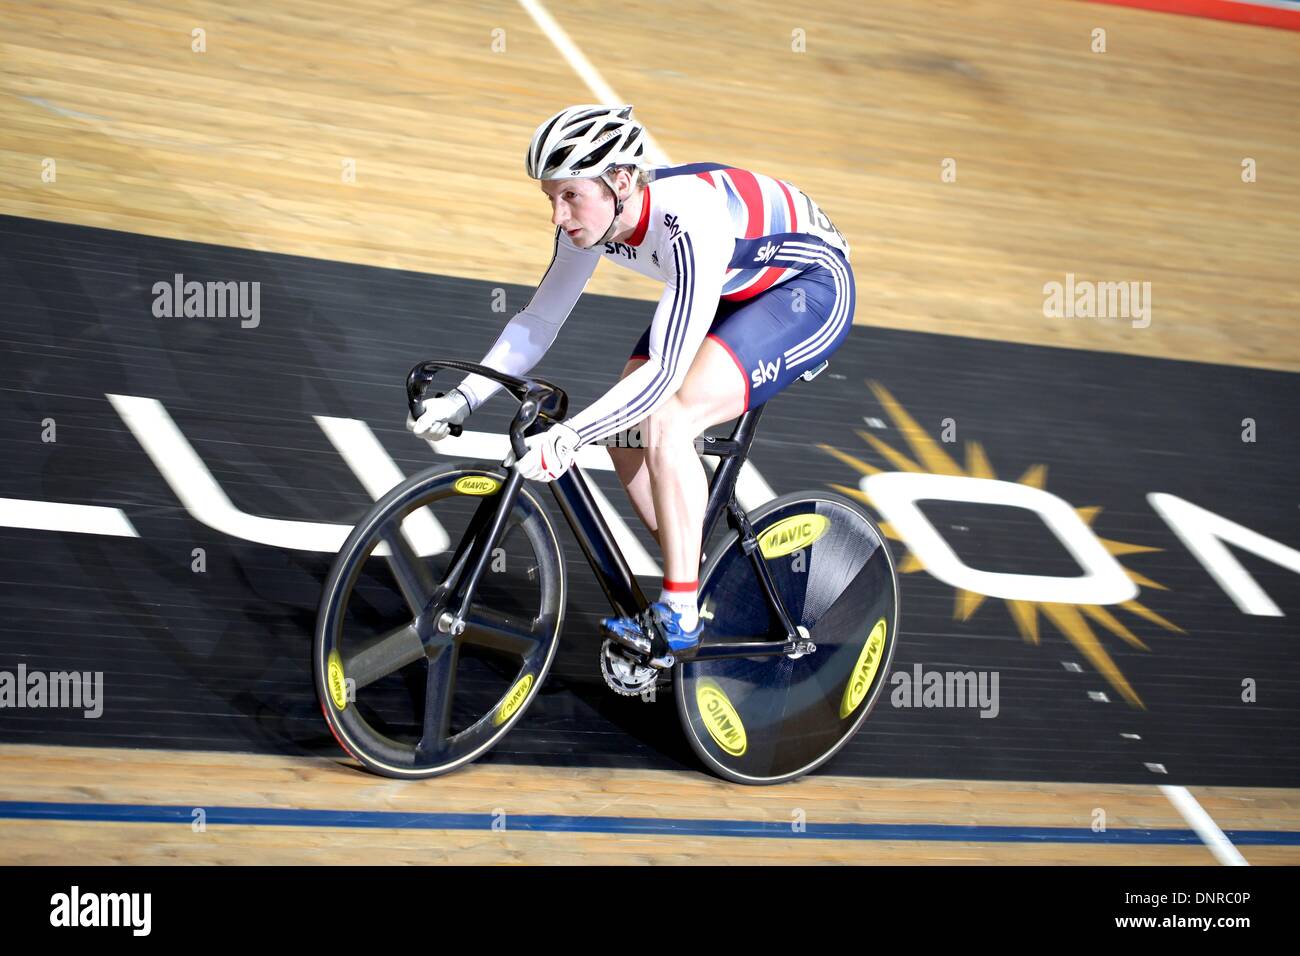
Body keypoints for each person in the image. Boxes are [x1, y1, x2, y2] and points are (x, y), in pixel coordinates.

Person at [408, 104, 856, 659]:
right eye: (550, 198)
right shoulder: (591, 222)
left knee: (667, 417)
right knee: (627, 439)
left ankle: (680, 612)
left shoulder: (690, 218)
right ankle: (696, 578)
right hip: (731, 288)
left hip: (807, 292)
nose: (557, 215)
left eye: (569, 195)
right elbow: (540, 318)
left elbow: (665, 374)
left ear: (620, 182)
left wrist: (568, 438)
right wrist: (463, 398)